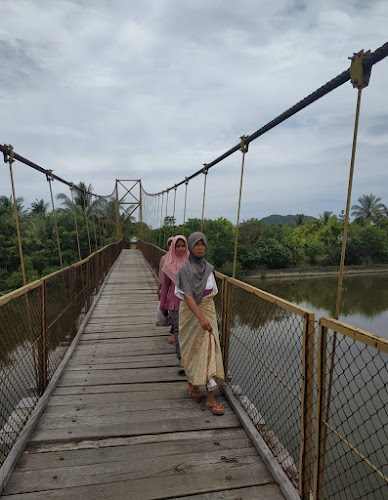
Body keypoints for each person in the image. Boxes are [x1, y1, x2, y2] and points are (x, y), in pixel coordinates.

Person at [175, 232, 225, 415]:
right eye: (196, 244)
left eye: (203, 244)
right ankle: (192, 383)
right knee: (191, 350)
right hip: (191, 314)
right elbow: (187, 295)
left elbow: (212, 292)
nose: (200, 247)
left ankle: (210, 398)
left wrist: (207, 316)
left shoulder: (209, 268)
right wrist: (200, 318)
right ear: (190, 246)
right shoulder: (184, 269)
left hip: (208, 309)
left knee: (209, 350)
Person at [159, 235, 189, 373]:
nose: (181, 248)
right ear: (173, 247)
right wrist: (162, 305)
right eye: (178, 246)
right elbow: (165, 286)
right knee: (179, 331)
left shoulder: (192, 262)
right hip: (175, 303)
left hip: (191, 303)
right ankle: (181, 360)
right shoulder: (168, 264)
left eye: (183, 245)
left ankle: (191, 358)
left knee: (190, 331)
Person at [157, 236, 174, 340]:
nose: (172, 246)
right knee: (171, 309)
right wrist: (159, 288)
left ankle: (175, 331)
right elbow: (161, 274)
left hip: (180, 289)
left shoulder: (185, 258)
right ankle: (173, 332)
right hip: (168, 288)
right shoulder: (164, 258)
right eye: (170, 244)